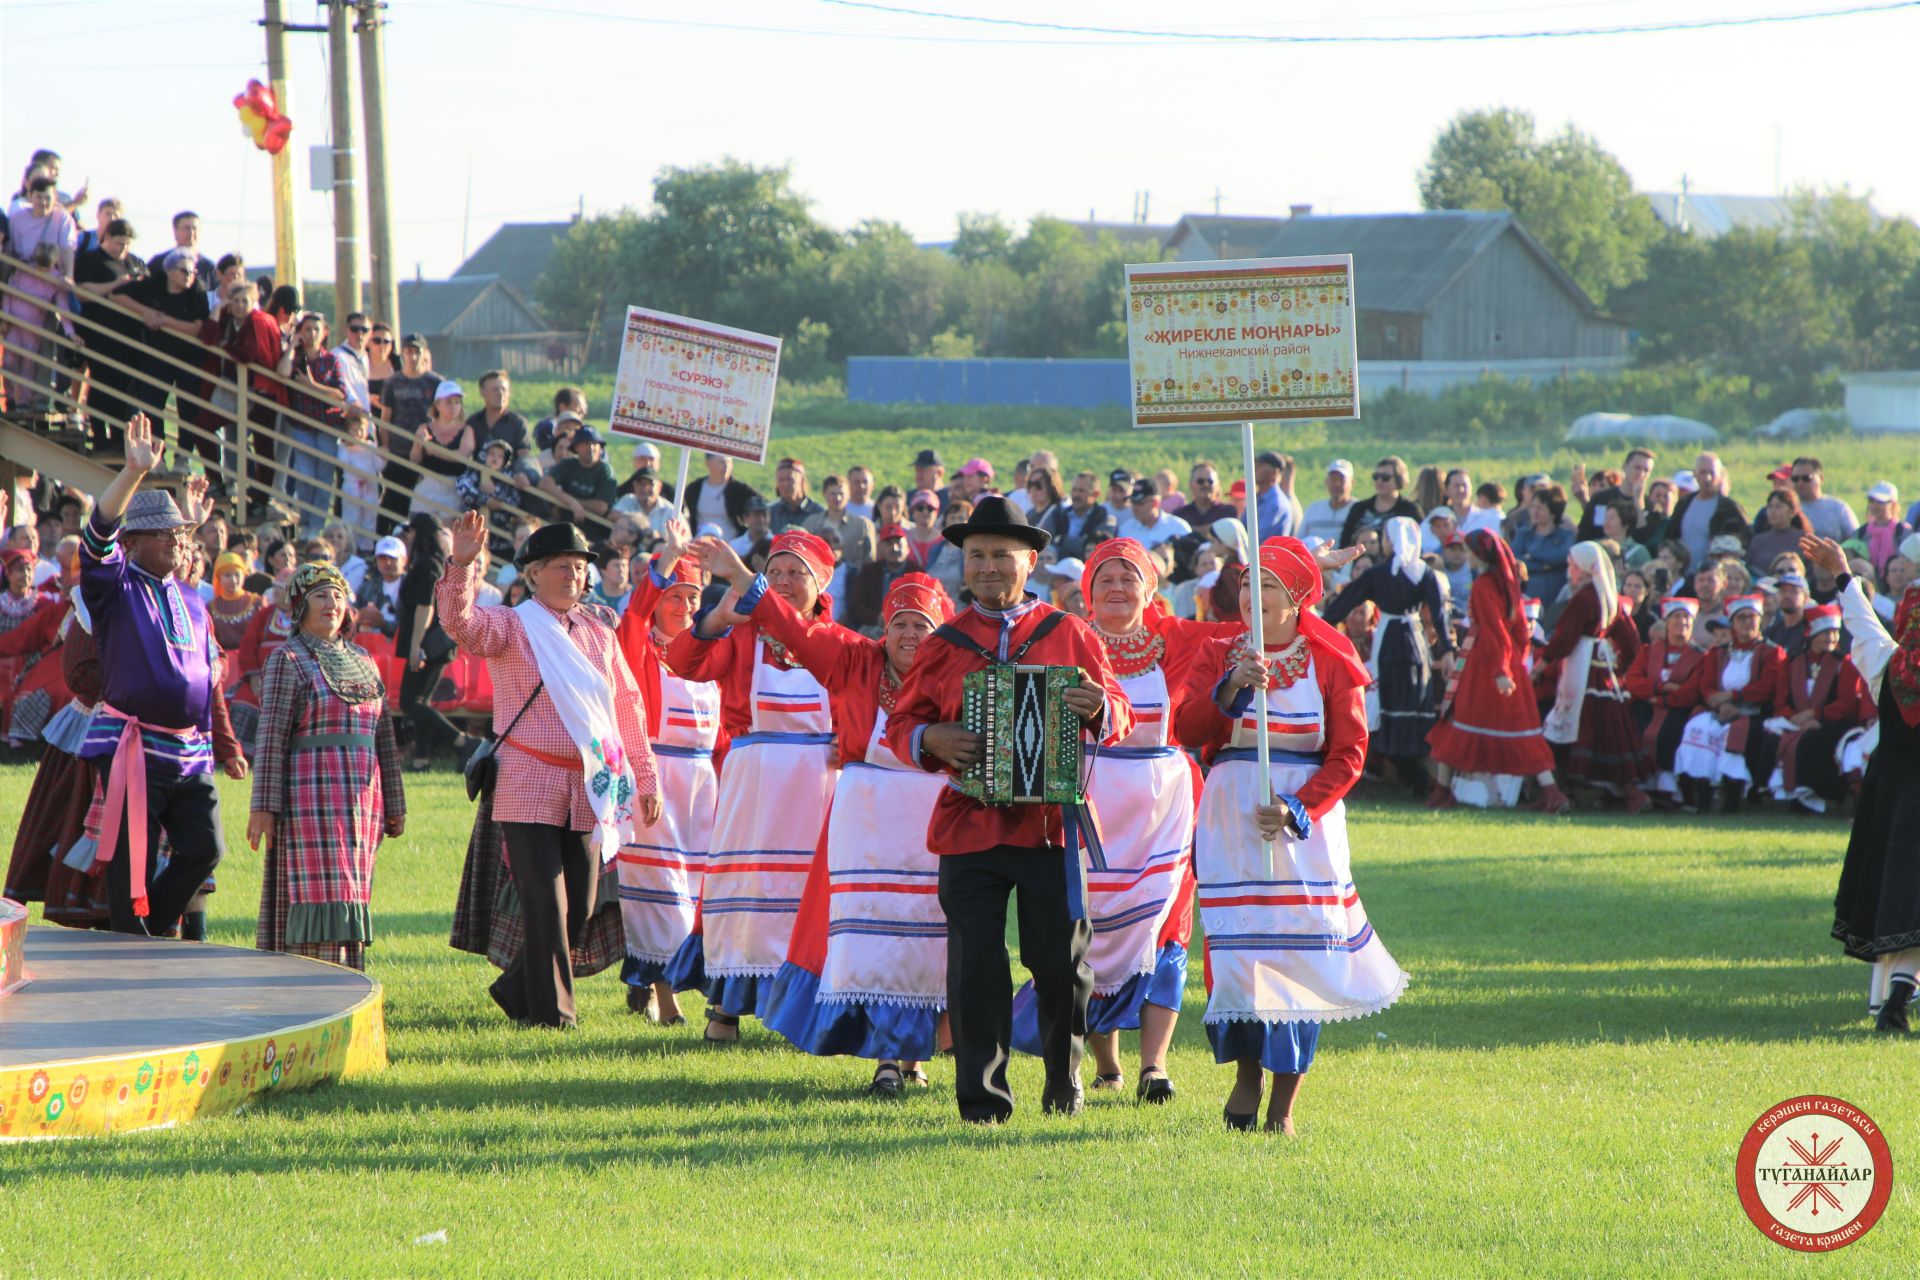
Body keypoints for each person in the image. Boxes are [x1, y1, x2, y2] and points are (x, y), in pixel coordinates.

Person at [883, 496, 1131, 1122]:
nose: (988, 567)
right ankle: (982, 1101)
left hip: (1050, 828)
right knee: (973, 968)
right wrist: (928, 740)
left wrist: (1099, 706)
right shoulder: (944, 643)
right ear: (962, 565)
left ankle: (1062, 1081)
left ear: (1031, 561)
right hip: (969, 825)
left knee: (1059, 961)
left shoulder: (1069, 632)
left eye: (1001, 555)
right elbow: (902, 721)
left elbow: (1122, 711)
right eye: (976, 556)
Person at [698, 541, 954, 1096]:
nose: (911, 635)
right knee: (872, 937)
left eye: (924, 625)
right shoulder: (853, 659)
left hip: (932, 820)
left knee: (927, 937)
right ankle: (886, 1059)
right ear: (885, 626)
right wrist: (744, 578)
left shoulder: (954, 677)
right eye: (902, 623)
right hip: (867, 819)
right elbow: (792, 628)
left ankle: (913, 1054)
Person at [1172, 536, 1406, 1134]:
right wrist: (1231, 686)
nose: (1254, 598)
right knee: (1242, 955)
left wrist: (1298, 807)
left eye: (1269, 586)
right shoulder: (1222, 651)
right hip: (1231, 817)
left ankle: (1284, 1103)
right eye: (1248, 586)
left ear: (1298, 596)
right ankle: (1246, 1078)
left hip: (1304, 825)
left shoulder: (1331, 657)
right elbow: (1189, 725)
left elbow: (1350, 753)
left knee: (1299, 955)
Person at [1008, 538, 1240, 1102]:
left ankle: (1153, 1067)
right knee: (1090, 928)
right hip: (1089, 806)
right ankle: (1106, 1063)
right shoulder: (1067, 638)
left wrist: (1288, 579)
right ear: (1087, 590)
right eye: (1105, 578)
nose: (1117, 587)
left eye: (1129, 577)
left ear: (1151, 588)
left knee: (1165, 931)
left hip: (1162, 809)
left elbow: (1260, 630)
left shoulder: (1179, 638)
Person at [438, 511, 661, 1027]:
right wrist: (462, 566)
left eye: (579, 567)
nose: (572, 576)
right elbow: (460, 624)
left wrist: (644, 777)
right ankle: (554, 1017)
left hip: (591, 784)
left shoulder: (600, 632)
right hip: (527, 779)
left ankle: (517, 991)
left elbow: (626, 704)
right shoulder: (513, 625)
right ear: (533, 573)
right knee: (544, 902)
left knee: (579, 906)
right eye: (560, 566)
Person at [663, 529, 849, 1040]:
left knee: (810, 897)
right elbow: (682, 663)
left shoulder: (835, 642)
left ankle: (804, 1008)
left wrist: (847, 742)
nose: (785, 581)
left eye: (797, 573)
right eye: (777, 570)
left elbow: (863, 706)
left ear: (822, 582)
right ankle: (725, 1007)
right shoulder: (744, 637)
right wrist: (721, 617)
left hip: (817, 786)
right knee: (741, 892)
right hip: (754, 784)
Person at [76, 423, 248, 934]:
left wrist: (221, 739)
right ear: (135, 542)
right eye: (167, 535)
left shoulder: (190, 597)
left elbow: (205, 676)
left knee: (205, 848)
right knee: (134, 858)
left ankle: (146, 930)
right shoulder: (116, 584)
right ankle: (131, 944)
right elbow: (97, 535)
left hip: (189, 751)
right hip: (135, 747)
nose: (179, 541)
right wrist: (133, 472)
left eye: (181, 534)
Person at [245, 562, 405, 969]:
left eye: (337, 594)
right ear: (299, 608)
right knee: (319, 891)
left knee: (354, 891)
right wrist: (263, 808)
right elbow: (271, 737)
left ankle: (351, 976)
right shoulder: (287, 659)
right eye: (320, 595)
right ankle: (310, 982)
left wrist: (396, 803)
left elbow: (384, 735)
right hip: (311, 799)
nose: (331, 602)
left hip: (363, 804)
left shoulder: (365, 659)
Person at [1800, 535, 1920, 1032]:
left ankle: (1894, 994)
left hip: (1892, 796)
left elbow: (1863, 625)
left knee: (1902, 892)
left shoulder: (1891, 664)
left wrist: (1844, 575)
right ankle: (1899, 993)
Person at [610, 519, 722, 1025]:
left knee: (701, 890)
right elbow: (632, 614)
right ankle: (666, 998)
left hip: (704, 786)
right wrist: (667, 558)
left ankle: (703, 991)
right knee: (659, 893)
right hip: (654, 776)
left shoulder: (710, 655)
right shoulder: (638, 647)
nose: (684, 608)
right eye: (675, 597)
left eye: (693, 599)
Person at [1425, 531, 1568, 813]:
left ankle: (1443, 791)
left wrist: (1500, 670)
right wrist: (1515, 660)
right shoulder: (1507, 583)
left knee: (1459, 721)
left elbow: (1494, 629)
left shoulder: (1483, 586)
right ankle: (1552, 793)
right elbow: (1514, 630)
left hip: (1486, 662)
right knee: (1521, 727)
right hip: (1504, 660)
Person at [1321, 517, 1455, 796]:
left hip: (1392, 642)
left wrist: (1320, 625)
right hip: (1416, 644)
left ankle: (1417, 782)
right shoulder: (1425, 573)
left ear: (1392, 540)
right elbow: (1440, 616)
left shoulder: (1378, 575)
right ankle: (1418, 783)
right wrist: (1448, 650)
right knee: (1408, 709)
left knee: (1391, 709)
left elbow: (1344, 603)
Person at [1541, 541, 1654, 813]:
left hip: (1583, 669)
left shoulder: (1584, 599)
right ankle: (1626, 793)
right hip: (1603, 671)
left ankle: (1563, 791)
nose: (1570, 569)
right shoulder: (1610, 597)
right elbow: (1631, 640)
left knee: (1580, 724)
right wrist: (1617, 665)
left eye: (1573, 565)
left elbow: (1565, 638)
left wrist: (1543, 662)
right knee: (1608, 729)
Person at [1672, 595, 1786, 813]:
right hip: (1720, 709)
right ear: (1732, 622)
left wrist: (1734, 698)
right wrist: (1718, 703)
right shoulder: (1719, 652)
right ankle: (1700, 795)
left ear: (1760, 621)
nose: (1746, 623)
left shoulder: (1772, 652)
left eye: (1752, 617)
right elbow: (1707, 684)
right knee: (1698, 727)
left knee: (1734, 732)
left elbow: (1768, 686)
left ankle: (1731, 799)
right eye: (1741, 618)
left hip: (1753, 711)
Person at [1758, 604, 1872, 814]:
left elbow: (1847, 703)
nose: (1831, 637)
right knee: (1774, 738)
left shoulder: (1844, 664)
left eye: (1835, 632)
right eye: (1825, 633)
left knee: (1811, 741)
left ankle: (1810, 796)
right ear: (1811, 634)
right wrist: (1795, 718)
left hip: (1831, 723)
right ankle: (1780, 795)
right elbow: (1781, 700)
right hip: (1796, 721)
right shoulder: (1793, 663)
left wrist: (1816, 715)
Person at [394, 511, 477, 771]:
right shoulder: (433, 562)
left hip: (428, 644)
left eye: (409, 532)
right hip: (435, 643)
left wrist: (416, 646)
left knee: (410, 702)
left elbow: (424, 607)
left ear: (419, 534)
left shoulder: (427, 564)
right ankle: (421, 759)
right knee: (420, 701)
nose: (406, 537)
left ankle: (464, 742)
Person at [1621, 598, 1708, 805]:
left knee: (1670, 733)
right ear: (1666, 621)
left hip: (1679, 709)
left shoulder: (1701, 657)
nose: (1682, 622)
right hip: (1646, 705)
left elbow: (1690, 691)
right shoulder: (1648, 651)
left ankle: (1668, 788)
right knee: (1635, 728)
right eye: (1677, 616)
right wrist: (1662, 688)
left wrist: (1656, 696)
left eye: (1687, 617)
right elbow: (1633, 682)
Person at [1669, 453, 1748, 569]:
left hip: (1713, 575)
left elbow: (1746, 538)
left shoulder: (1729, 508)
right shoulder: (1684, 504)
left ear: (1720, 476)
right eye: (1703, 472)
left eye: (1712, 473)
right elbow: (1671, 537)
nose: (1707, 478)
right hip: (1683, 574)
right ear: (1695, 474)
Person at [408, 380, 474, 518]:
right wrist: (418, 443)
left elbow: (462, 455)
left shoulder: (466, 429)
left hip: (452, 488)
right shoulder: (425, 428)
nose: (453, 406)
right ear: (437, 404)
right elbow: (415, 459)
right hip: (428, 484)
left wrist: (434, 450)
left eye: (457, 402)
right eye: (448, 402)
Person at [1512, 483, 1575, 606]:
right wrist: (1545, 566)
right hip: (1529, 595)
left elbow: (1562, 557)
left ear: (1553, 511)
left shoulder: (1565, 535)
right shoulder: (1524, 534)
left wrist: (1533, 554)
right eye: (1533, 507)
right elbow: (1515, 560)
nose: (1535, 512)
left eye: (1540, 508)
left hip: (1556, 596)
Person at [1339, 457, 1420, 548]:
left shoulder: (1409, 510)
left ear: (1399, 479)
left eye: (1385, 478)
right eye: (1376, 477)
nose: (1379, 481)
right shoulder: (1359, 508)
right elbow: (1344, 542)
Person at [805, 472, 875, 573]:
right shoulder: (811, 523)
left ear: (848, 495)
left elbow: (870, 560)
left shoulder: (862, 525)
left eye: (841, 494)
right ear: (824, 494)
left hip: (851, 581)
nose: (837, 498)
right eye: (833, 494)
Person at [683, 451, 759, 540]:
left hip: (731, 546)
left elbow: (762, 506)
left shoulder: (740, 490)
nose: (726, 466)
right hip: (700, 544)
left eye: (729, 462)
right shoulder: (694, 489)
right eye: (721, 462)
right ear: (707, 463)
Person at [1041, 471, 1114, 560]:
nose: (1076, 495)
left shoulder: (1105, 518)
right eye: (1074, 490)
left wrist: (1061, 540)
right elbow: (1044, 540)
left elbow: (1095, 547)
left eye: (1081, 491)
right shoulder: (1059, 514)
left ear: (1095, 494)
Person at [1116, 478, 1192, 549]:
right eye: (1132, 502)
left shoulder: (1179, 528)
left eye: (1139, 503)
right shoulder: (1125, 530)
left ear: (1155, 503)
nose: (1134, 508)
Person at [1748, 488, 1807, 576]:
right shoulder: (1758, 541)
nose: (1773, 511)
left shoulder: (1803, 539)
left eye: (1778, 506)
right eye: (1770, 507)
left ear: (1792, 511)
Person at [1298, 460, 1355, 548]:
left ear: (1352, 483)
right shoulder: (1313, 509)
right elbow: (1299, 540)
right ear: (1326, 482)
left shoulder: (1358, 510)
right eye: (1333, 479)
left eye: (1341, 480)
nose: (1336, 484)